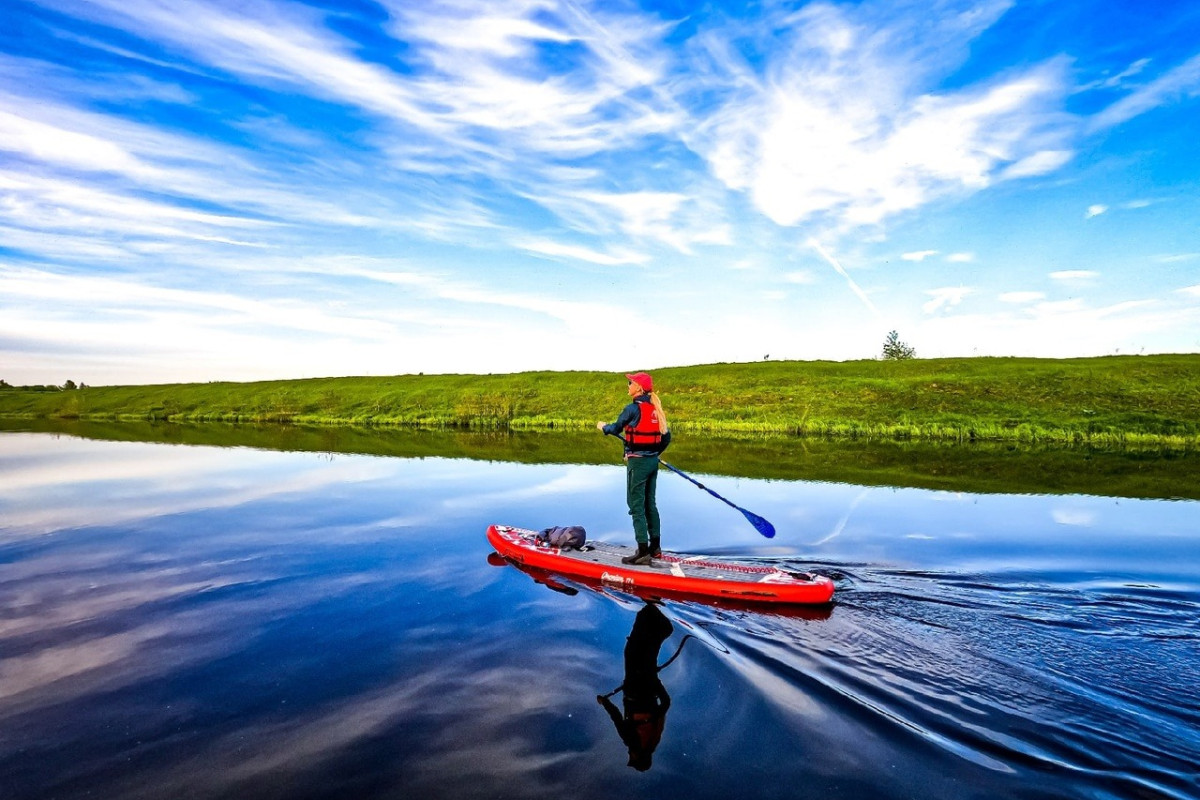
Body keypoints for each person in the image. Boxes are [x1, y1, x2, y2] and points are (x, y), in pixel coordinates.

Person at [596, 372, 671, 565]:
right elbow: (666, 437)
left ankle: (643, 552)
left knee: (636, 505)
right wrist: (654, 453)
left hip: (638, 463)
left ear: (638, 387)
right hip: (652, 463)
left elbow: (615, 428)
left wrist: (604, 427)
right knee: (650, 504)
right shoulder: (656, 409)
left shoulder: (632, 409)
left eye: (630, 383)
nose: (628, 385)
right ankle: (656, 549)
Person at [596, 602, 675, 771]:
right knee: (632, 652)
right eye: (631, 758)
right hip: (634, 689)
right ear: (638, 757)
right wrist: (605, 703)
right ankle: (649, 610)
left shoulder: (654, 739)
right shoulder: (633, 742)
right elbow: (616, 718)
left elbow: (666, 704)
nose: (629, 755)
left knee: (645, 655)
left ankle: (658, 622)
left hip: (647, 688)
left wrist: (654, 680)